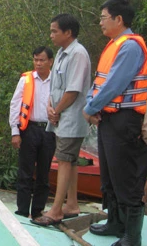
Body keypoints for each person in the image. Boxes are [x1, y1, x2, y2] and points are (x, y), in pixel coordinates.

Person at [83, 0, 147, 246]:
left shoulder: (130, 47)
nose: (100, 22)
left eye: (103, 17)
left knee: (127, 177)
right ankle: (115, 222)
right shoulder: (113, 45)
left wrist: (90, 107)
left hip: (126, 119)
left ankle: (132, 236)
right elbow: (100, 81)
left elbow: (115, 85)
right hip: (108, 118)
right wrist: (91, 104)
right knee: (109, 174)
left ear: (118, 19)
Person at [31, 14, 91, 226]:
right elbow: (55, 86)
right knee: (70, 161)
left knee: (64, 160)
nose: (51, 35)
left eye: (55, 31)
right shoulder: (61, 53)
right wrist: (50, 106)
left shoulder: (78, 54)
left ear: (68, 32)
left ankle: (56, 211)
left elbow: (73, 90)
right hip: (59, 117)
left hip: (71, 118)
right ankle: (71, 204)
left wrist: (55, 110)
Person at [9, 46, 55, 220]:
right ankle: (22, 211)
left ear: (50, 61)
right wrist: (15, 132)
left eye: (42, 60)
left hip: (50, 131)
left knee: (44, 174)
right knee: (25, 173)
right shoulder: (26, 80)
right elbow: (15, 105)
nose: (38, 63)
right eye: (36, 59)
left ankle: (37, 212)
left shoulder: (57, 80)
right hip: (29, 130)